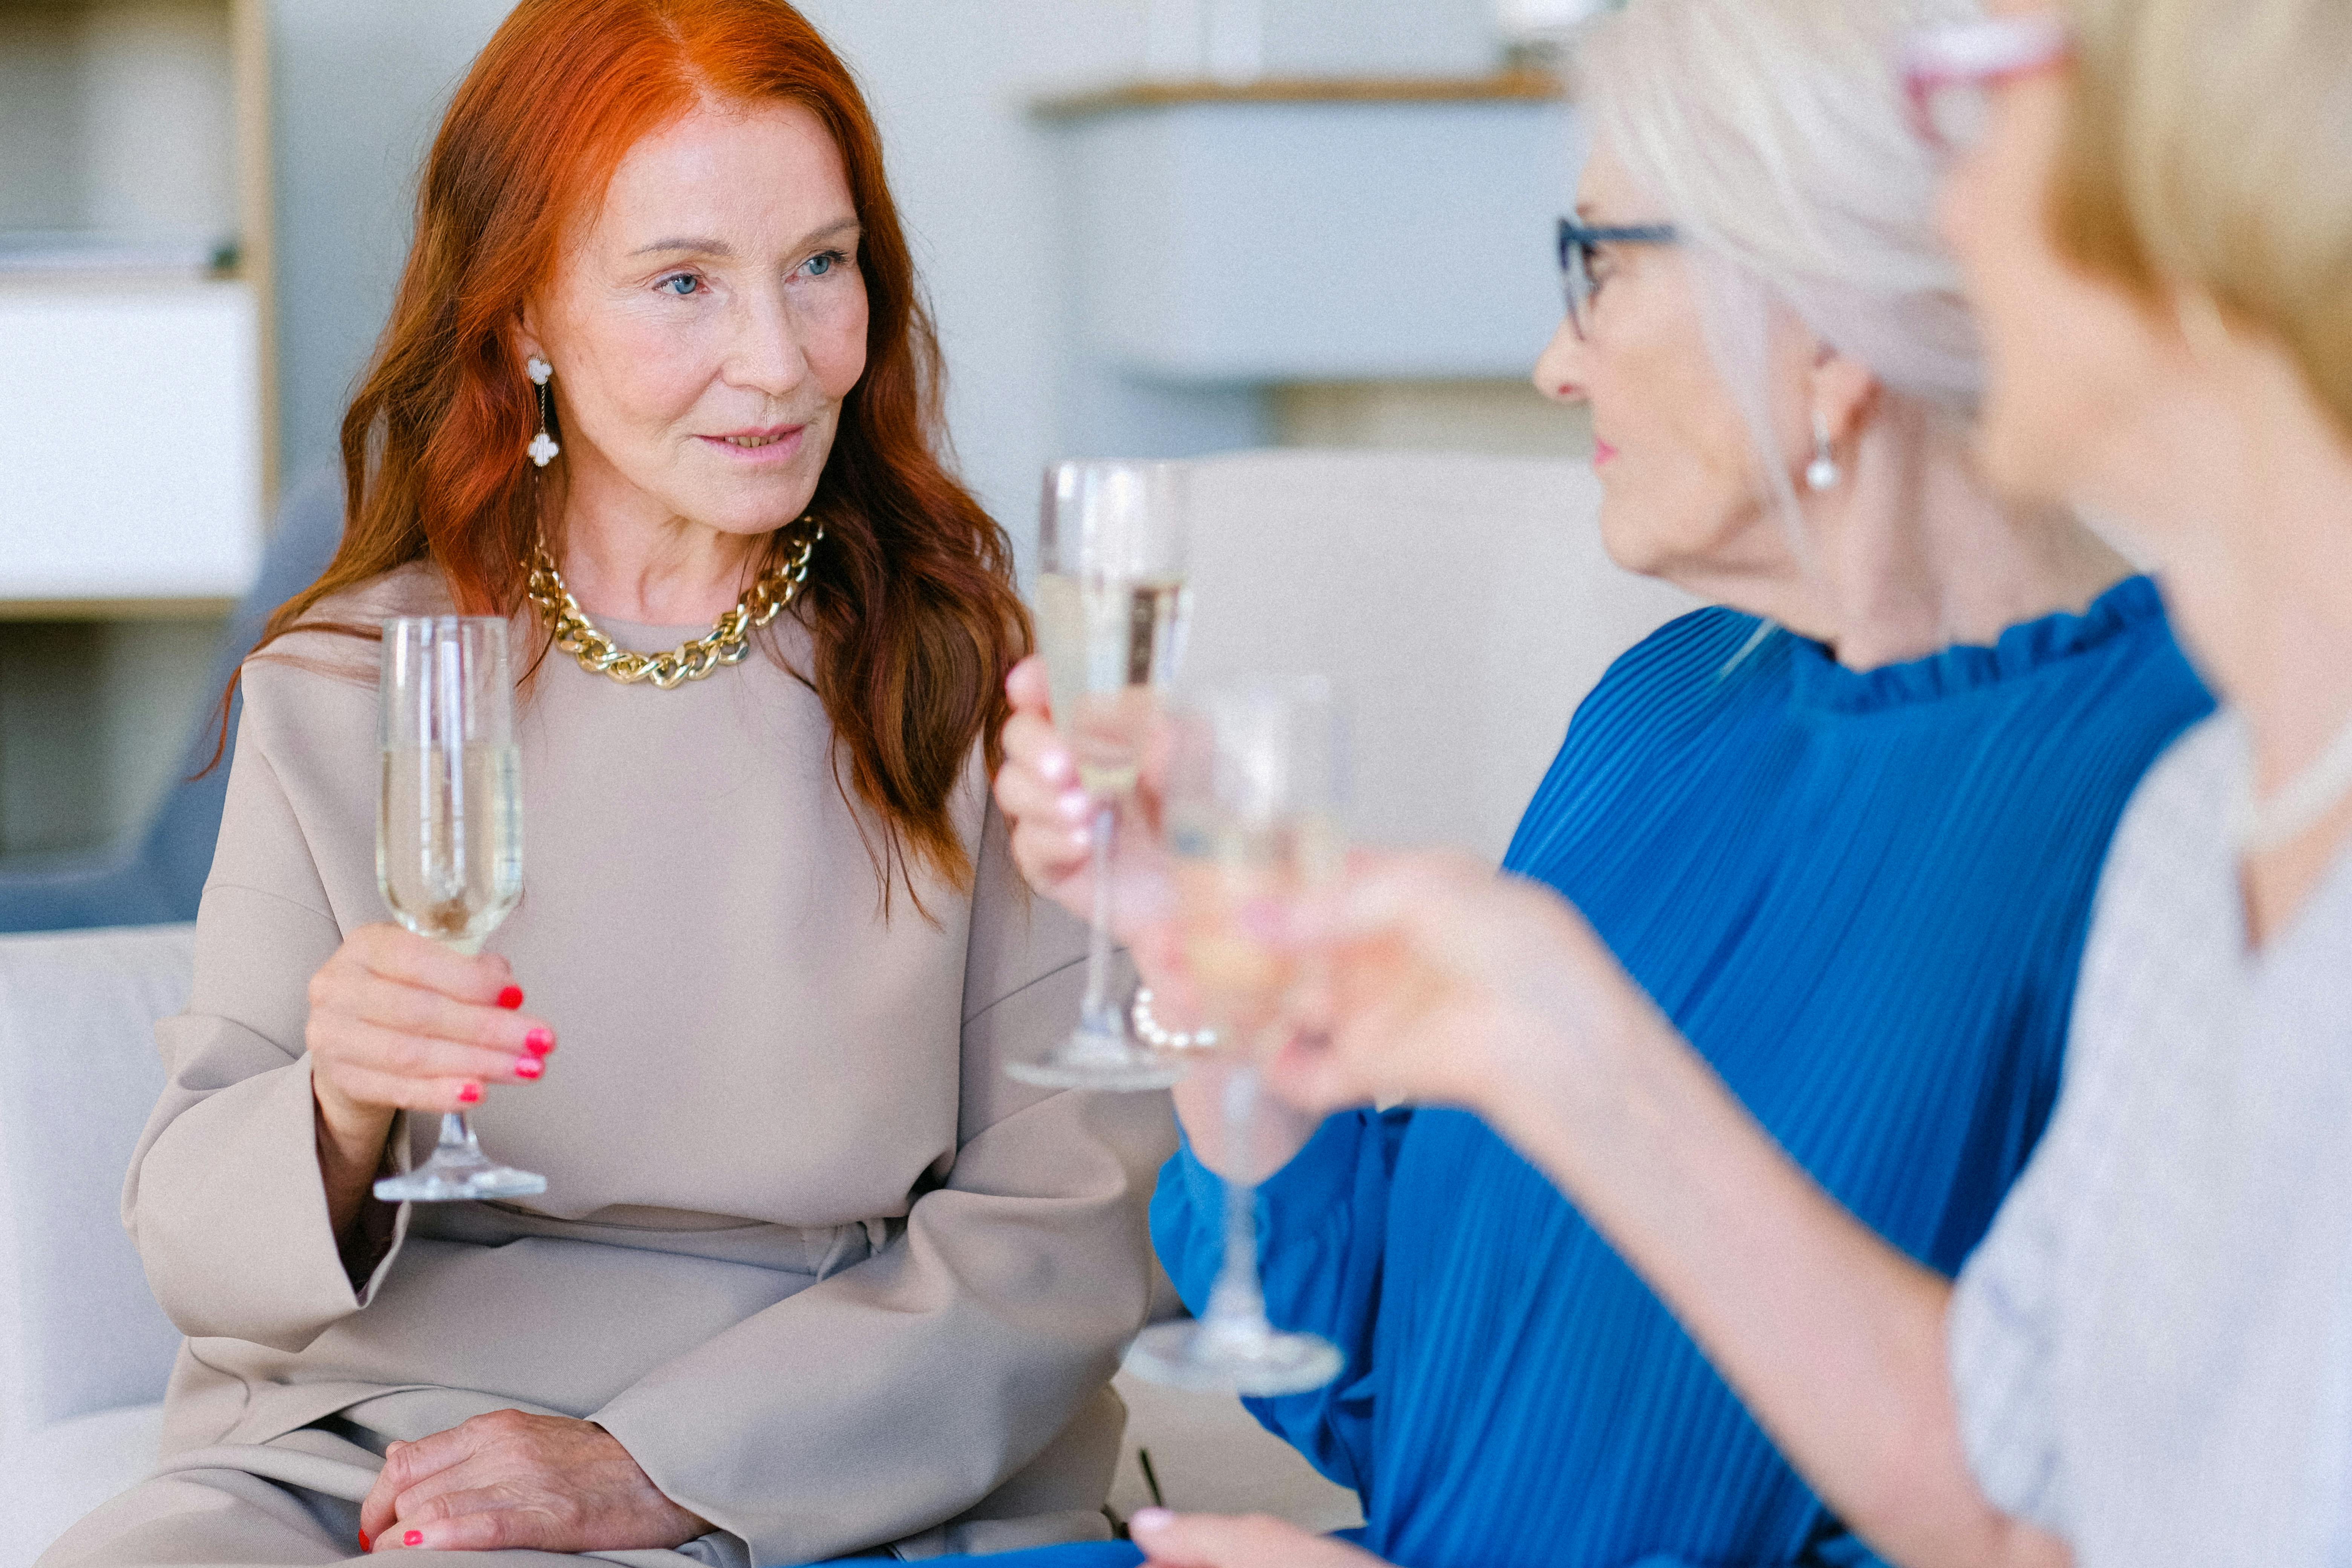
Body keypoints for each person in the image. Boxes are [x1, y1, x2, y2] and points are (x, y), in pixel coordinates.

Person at [984, 1, 2210, 1565]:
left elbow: (2114, 1512)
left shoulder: (2177, 786)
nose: (1556, 362)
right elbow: (1373, 1376)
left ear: (1826, 326)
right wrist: (1188, 938)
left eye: (1602, 265)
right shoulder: (1665, 703)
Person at [39, 3, 1173, 1565]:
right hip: (368, 1450)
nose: (776, 360)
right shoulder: (342, 682)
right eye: (683, 282)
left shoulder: (962, 677)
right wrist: (339, 1105)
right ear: (522, 316)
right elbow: (192, 1236)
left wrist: (657, 1464)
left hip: (830, 1462)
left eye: (820, 266)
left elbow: (1072, 1216)